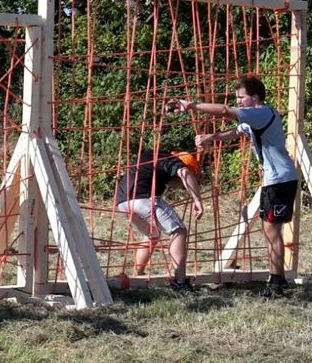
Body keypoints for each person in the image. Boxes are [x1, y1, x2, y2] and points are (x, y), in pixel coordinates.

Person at [169, 74, 299, 298]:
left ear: (255, 97)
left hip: (281, 180)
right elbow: (236, 132)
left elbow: (223, 111)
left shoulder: (261, 112)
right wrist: (212, 137)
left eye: (241, 97)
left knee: (272, 231)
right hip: (274, 180)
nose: (238, 101)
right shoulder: (254, 118)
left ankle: (276, 285)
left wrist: (190, 105)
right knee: (269, 230)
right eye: (236, 98)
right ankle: (277, 279)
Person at [114, 149, 205, 292]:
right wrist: (197, 200)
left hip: (122, 202)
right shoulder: (173, 161)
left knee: (152, 234)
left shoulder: (153, 156)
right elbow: (185, 173)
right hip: (142, 198)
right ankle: (180, 282)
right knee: (178, 230)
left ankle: (137, 275)